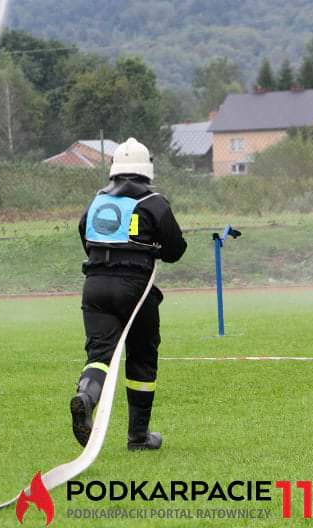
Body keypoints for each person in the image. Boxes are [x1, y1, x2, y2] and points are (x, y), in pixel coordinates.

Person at [70, 138, 186, 451]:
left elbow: (85, 234)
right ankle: (138, 436)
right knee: (142, 357)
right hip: (135, 288)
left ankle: (86, 396)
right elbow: (176, 250)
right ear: (146, 169)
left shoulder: (96, 200)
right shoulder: (154, 202)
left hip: (93, 285)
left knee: (100, 355)